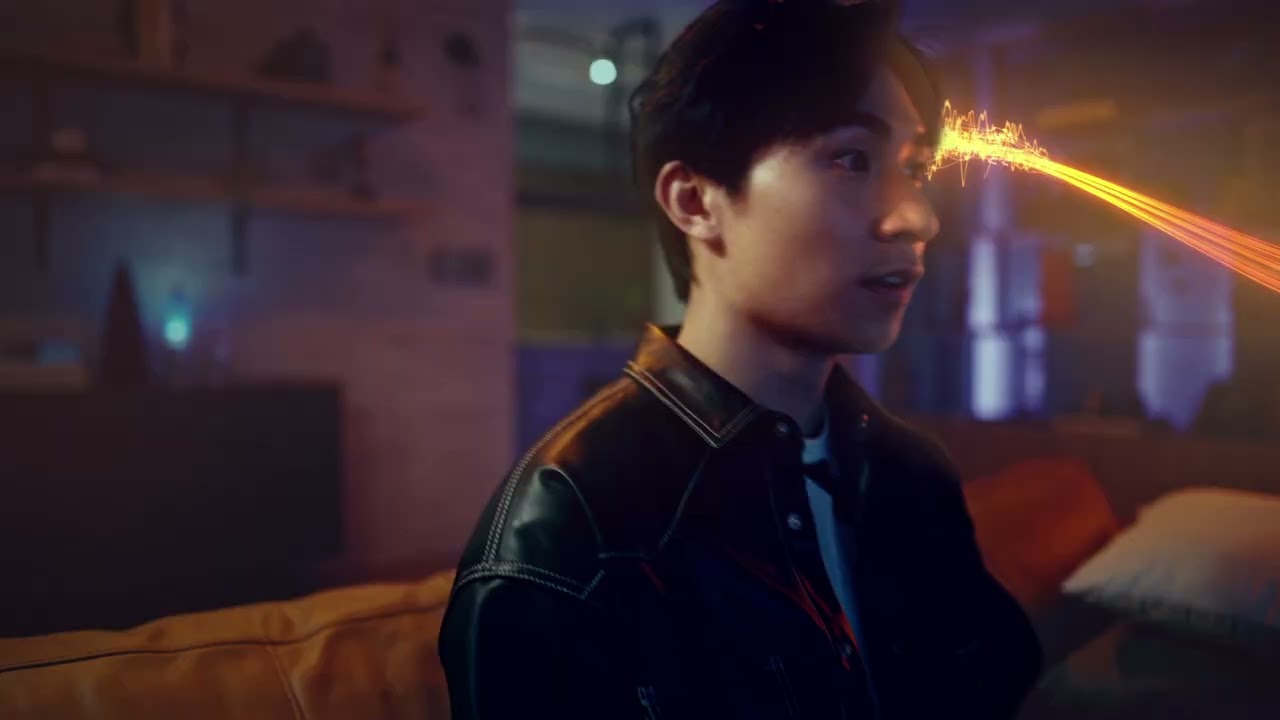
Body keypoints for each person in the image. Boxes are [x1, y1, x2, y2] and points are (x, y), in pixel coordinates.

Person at [439, 1, 1042, 718]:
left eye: (913, 170)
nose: (917, 218)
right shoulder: (569, 528)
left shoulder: (912, 472)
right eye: (851, 159)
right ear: (695, 201)